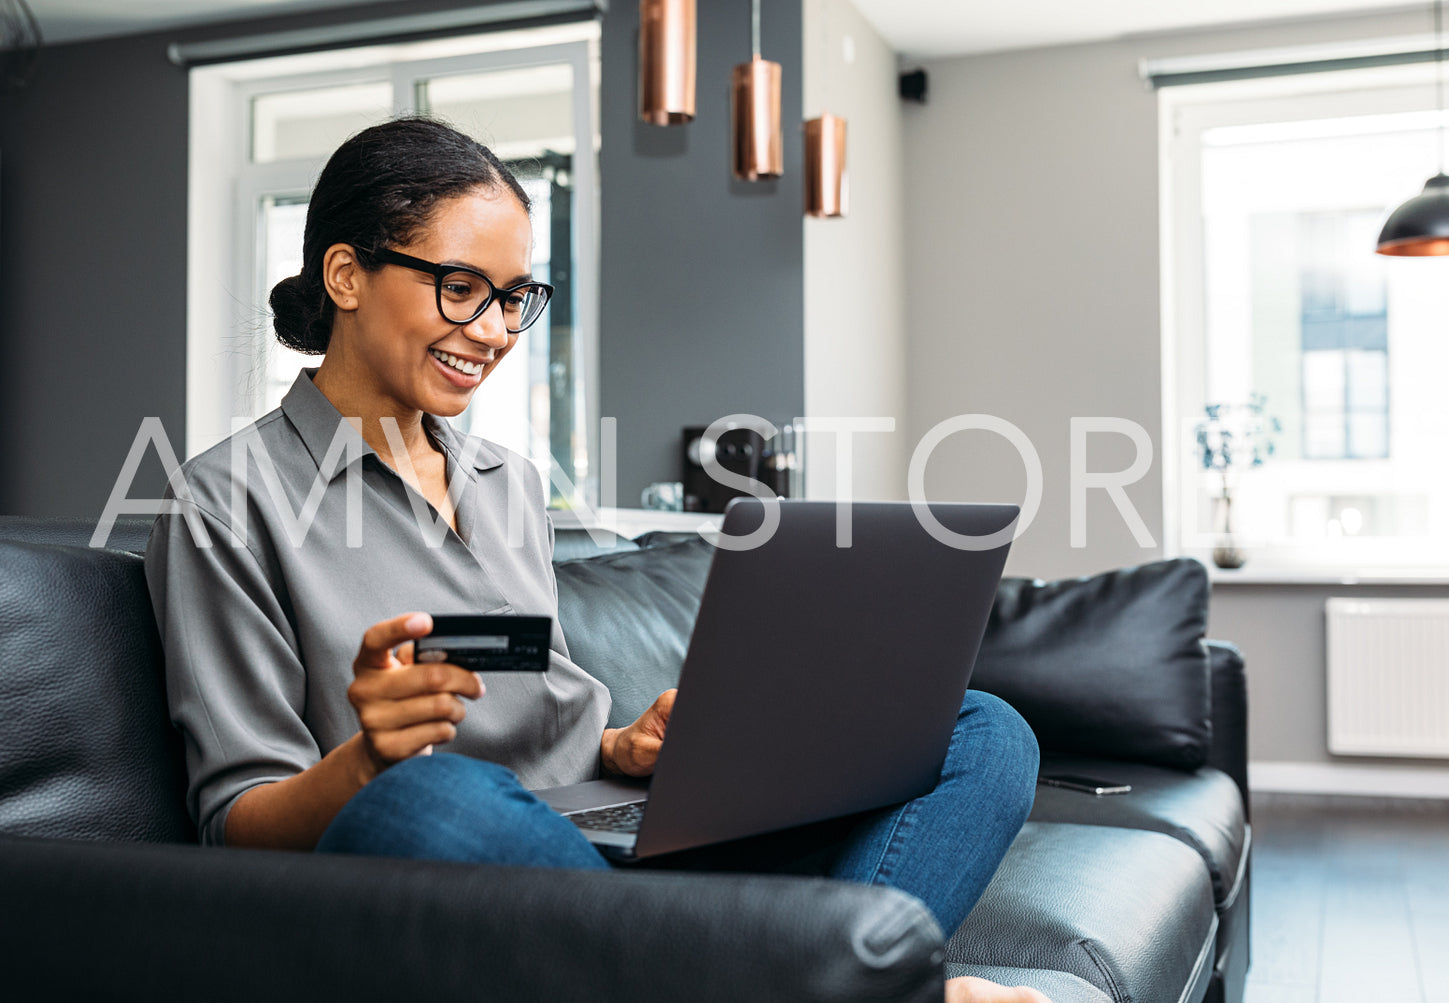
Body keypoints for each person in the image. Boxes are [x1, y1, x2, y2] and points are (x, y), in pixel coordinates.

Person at [144, 117, 1050, 1003]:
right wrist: (371, 762)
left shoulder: (506, 482)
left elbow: (544, 713)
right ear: (346, 274)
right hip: (447, 855)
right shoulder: (225, 501)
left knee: (979, 728)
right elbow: (238, 823)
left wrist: (630, 747)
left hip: (608, 845)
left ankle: (764, 973)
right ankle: (852, 982)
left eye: (513, 297)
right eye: (461, 287)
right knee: (431, 797)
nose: (495, 331)